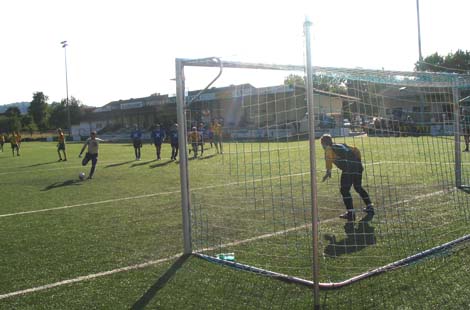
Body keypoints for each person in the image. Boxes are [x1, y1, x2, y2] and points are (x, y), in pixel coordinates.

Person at [320, 134, 374, 221]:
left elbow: (328, 161)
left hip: (349, 169)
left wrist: (328, 172)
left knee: (344, 190)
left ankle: (351, 213)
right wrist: (357, 161)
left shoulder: (328, 149)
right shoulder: (341, 145)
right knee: (358, 187)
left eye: (322, 144)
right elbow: (356, 150)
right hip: (358, 166)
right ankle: (370, 206)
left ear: (324, 143)